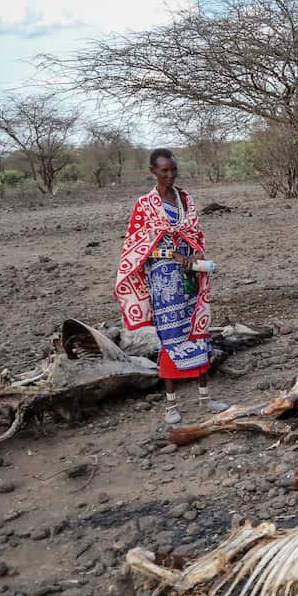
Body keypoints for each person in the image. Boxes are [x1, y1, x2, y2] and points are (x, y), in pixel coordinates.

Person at [114, 148, 229, 424]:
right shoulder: (144, 205)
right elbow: (137, 249)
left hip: (191, 277)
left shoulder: (185, 199)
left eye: (173, 170)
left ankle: (204, 397)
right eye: (164, 170)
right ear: (153, 171)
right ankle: (171, 405)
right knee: (171, 337)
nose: (170, 175)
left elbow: (195, 236)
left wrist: (195, 257)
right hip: (164, 282)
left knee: (198, 331)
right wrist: (172, 255)